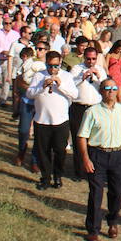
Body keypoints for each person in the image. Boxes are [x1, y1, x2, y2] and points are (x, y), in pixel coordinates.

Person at [78, 79, 121, 240]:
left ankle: (113, 221)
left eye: (114, 88)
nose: (111, 91)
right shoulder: (91, 112)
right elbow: (82, 136)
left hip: (118, 155)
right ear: (101, 91)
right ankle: (93, 229)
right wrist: (85, 158)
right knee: (96, 194)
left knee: (118, 192)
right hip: (97, 154)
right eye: (107, 88)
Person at [27, 51, 78, 190]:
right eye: (50, 65)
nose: (53, 69)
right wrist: (41, 86)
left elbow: (75, 94)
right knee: (43, 151)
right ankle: (45, 177)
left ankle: (58, 176)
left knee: (60, 151)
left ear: (60, 63)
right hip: (42, 120)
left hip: (60, 121)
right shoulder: (39, 75)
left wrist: (60, 85)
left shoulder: (67, 76)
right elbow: (29, 94)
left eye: (56, 66)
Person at [69, 46, 107, 181]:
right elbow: (69, 86)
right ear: (84, 57)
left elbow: (106, 87)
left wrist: (98, 78)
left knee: (94, 139)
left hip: (95, 108)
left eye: (94, 59)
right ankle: (79, 171)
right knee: (79, 138)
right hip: (79, 107)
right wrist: (82, 77)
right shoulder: (76, 69)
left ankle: (93, 169)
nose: (91, 62)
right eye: (88, 59)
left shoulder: (101, 70)